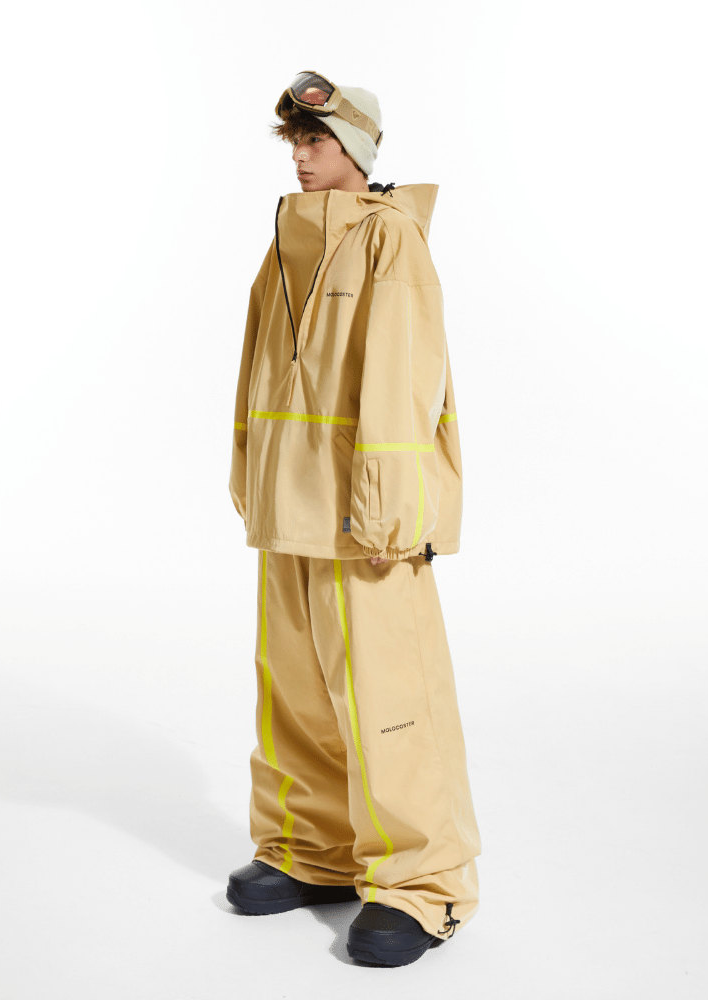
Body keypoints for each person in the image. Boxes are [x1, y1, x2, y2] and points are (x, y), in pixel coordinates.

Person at [226, 71, 481, 968]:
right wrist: (252, 480)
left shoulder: (388, 238)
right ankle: (314, 850)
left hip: (364, 520)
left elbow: (405, 382)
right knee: (294, 696)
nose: (301, 157)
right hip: (289, 513)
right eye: (295, 141)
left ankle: (424, 885)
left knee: (389, 702)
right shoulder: (284, 242)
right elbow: (255, 371)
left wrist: (390, 513)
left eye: (319, 141)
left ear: (359, 150)